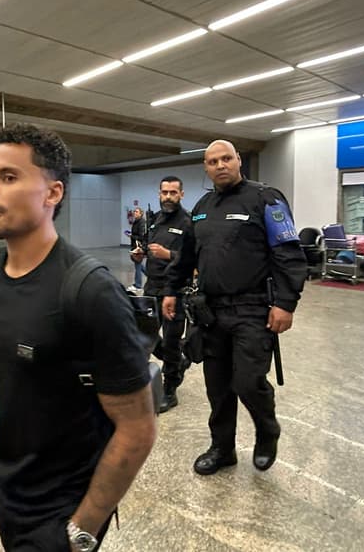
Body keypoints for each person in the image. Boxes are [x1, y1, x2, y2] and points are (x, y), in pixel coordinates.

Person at [0, 123, 156, 551]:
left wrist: (82, 530)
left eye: (9, 177)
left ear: (52, 194)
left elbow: (137, 427)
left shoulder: (89, 290)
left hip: (62, 504)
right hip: (7, 484)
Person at [163, 140, 306, 476]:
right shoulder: (201, 206)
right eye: (212, 161)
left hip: (252, 309)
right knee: (217, 387)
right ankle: (222, 448)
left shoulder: (265, 198)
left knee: (247, 381)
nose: (220, 165)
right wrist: (171, 289)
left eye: (226, 158)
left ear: (238, 160)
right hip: (210, 313)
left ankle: (267, 430)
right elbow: (186, 256)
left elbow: (287, 252)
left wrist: (285, 303)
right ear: (206, 167)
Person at [130, 178, 193, 413]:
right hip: (151, 287)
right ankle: (177, 361)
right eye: (164, 192)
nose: (168, 196)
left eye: (173, 192)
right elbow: (148, 247)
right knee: (144, 333)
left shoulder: (188, 222)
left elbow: (194, 261)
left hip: (175, 290)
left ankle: (170, 390)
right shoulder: (154, 219)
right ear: (159, 193)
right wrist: (140, 254)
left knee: (173, 340)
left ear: (181, 194)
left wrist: (169, 254)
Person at [128, 207, 145, 293]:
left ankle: (138, 285)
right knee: (139, 265)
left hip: (138, 247)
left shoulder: (141, 222)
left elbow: (141, 236)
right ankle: (151, 275)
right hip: (134, 246)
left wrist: (132, 236)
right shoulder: (136, 222)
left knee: (137, 266)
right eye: (134, 211)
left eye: (137, 211)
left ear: (141, 213)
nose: (135, 212)